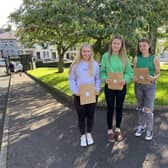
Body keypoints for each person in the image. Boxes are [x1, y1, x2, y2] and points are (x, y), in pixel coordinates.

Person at [100, 35, 133, 142]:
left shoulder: (125, 57)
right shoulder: (106, 56)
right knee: (110, 107)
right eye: (114, 43)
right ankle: (110, 130)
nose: (116, 45)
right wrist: (105, 78)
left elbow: (129, 72)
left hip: (121, 86)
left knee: (119, 107)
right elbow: (102, 71)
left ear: (121, 45)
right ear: (111, 44)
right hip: (109, 86)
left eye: (118, 43)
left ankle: (118, 129)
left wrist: (125, 80)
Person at [69, 43, 101, 147]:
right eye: (84, 51)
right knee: (81, 115)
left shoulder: (95, 64)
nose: (86, 53)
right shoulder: (75, 65)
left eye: (88, 51)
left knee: (90, 115)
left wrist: (97, 89)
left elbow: (98, 79)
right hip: (79, 95)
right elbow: (72, 79)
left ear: (91, 52)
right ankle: (82, 135)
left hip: (92, 94)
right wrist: (75, 91)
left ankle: (89, 134)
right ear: (81, 52)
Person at [133, 38, 160, 141]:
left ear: (149, 46)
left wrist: (153, 78)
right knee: (140, 107)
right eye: (140, 46)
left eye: (144, 45)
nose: (142, 48)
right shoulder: (136, 58)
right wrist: (134, 77)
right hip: (138, 85)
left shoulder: (154, 58)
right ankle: (141, 126)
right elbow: (134, 72)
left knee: (148, 109)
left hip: (150, 86)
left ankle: (149, 129)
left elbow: (158, 73)